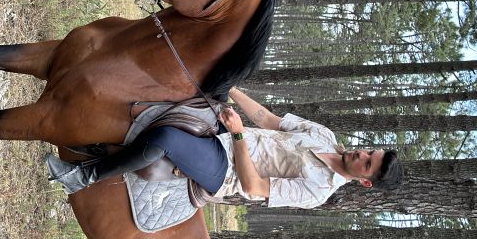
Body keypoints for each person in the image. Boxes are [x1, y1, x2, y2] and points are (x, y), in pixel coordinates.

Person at [46, 88, 403, 208]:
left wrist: (237, 136)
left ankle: (83, 175)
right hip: (233, 133)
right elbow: (269, 120)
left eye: (367, 164)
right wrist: (230, 91)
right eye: (370, 151)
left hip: (226, 170)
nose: (362, 154)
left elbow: (254, 188)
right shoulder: (326, 136)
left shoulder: (318, 191)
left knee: (169, 139)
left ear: (365, 181)